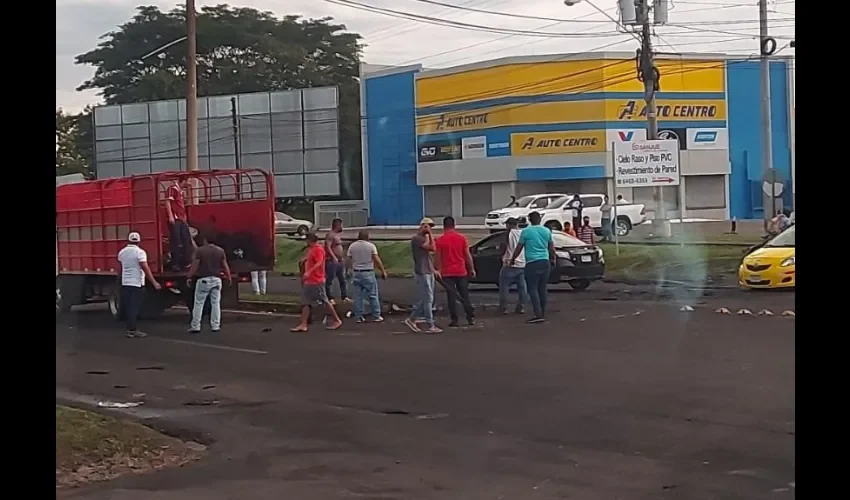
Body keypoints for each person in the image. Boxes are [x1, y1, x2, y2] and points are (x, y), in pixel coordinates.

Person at [510, 211, 555, 324]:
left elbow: (519, 247)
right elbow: (551, 247)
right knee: (542, 288)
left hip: (532, 263)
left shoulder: (526, 232)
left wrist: (513, 259)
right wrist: (553, 259)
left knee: (532, 288)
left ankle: (537, 313)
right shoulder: (546, 231)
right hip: (545, 261)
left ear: (530, 220)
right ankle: (543, 313)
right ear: (539, 219)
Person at [291, 233, 343, 332]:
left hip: (316, 280)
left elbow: (319, 262)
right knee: (305, 301)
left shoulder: (318, 249)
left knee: (324, 300)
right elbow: (312, 258)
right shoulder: (312, 249)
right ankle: (303, 324)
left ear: (310, 240)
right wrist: (305, 260)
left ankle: (337, 319)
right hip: (310, 281)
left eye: (306, 240)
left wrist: (309, 272)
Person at [117, 232, 161, 338]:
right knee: (134, 307)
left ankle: (129, 328)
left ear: (128, 240)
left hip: (125, 283)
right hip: (136, 283)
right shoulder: (140, 253)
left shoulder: (122, 252)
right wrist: (154, 282)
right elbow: (145, 268)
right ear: (139, 241)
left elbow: (122, 266)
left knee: (128, 307)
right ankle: (132, 330)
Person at [434, 216, 476, 327]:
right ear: (454, 225)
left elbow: (437, 257)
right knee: (464, 295)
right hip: (461, 271)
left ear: (444, 226)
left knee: (451, 296)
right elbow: (467, 255)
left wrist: (438, 269)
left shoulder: (440, 240)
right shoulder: (461, 238)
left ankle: (454, 319)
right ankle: (470, 316)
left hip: (447, 272)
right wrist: (471, 268)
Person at [187, 234, 232, 334]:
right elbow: (225, 265)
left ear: (205, 240)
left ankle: (196, 326)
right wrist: (229, 277)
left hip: (204, 279)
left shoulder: (200, 250)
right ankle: (215, 325)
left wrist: (189, 276)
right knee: (215, 303)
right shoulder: (220, 251)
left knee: (199, 303)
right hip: (217, 279)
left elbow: (195, 265)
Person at [404, 218, 442, 334]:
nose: (429, 228)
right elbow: (431, 248)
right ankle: (430, 324)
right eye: (427, 226)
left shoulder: (424, 238)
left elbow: (432, 251)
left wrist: (433, 269)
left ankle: (412, 319)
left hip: (428, 270)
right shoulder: (416, 239)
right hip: (422, 271)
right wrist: (429, 234)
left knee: (425, 299)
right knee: (427, 299)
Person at [346, 230, 387, 323]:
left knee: (358, 296)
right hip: (368, 272)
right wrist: (383, 271)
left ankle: (359, 316)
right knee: (373, 294)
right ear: (367, 237)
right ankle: (376, 315)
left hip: (356, 272)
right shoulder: (371, 246)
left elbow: (348, 259)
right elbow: (376, 259)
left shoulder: (352, 246)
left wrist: (347, 270)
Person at [497, 217, 528, 315]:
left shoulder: (508, 234)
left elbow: (503, 246)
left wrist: (501, 255)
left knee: (504, 287)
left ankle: (504, 308)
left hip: (509, 263)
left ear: (510, 225)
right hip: (522, 263)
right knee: (522, 287)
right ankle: (521, 307)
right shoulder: (523, 233)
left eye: (507, 225)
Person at [165, 178, 194, 270]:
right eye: (187, 181)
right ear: (183, 181)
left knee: (186, 240)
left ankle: (186, 262)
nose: (188, 183)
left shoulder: (181, 192)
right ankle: (175, 263)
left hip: (181, 220)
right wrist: (170, 216)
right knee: (176, 241)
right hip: (176, 219)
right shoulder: (172, 189)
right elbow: (167, 202)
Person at [324, 218, 349, 304]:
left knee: (342, 279)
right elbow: (328, 247)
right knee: (330, 279)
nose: (342, 227)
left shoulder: (337, 235)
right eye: (341, 225)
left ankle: (344, 296)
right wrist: (333, 257)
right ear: (337, 225)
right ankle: (329, 297)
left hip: (339, 260)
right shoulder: (330, 235)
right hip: (332, 261)